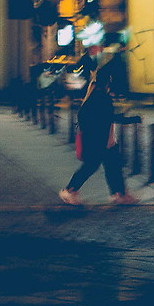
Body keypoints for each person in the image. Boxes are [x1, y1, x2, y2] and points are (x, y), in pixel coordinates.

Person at [58, 38, 135, 207]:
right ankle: (70, 190)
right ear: (107, 82)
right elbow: (102, 117)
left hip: (104, 139)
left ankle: (119, 194)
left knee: (113, 167)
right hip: (100, 140)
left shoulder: (96, 96)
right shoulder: (100, 97)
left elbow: (101, 117)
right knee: (91, 166)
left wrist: (127, 120)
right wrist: (126, 120)